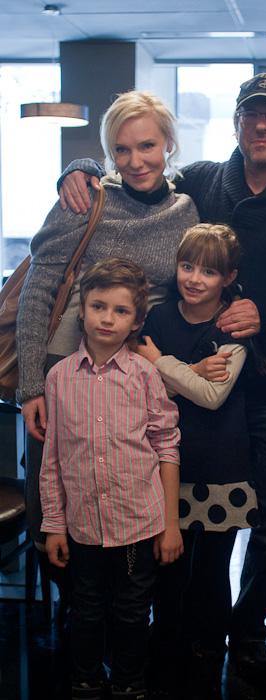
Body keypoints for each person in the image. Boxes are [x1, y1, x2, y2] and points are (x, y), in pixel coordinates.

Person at [57, 73, 266, 678]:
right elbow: (136, 171)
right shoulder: (202, 181)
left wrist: (264, 312)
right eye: (250, 114)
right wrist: (80, 166)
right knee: (176, 518)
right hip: (188, 386)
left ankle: (245, 629)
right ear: (236, 122)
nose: (260, 126)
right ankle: (172, 629)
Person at [15, 89, 199, 596]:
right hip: (65, 366)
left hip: (136, 369)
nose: (135, 161)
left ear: (169, 145)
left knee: (123, 492)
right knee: (55, 496)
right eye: (121, 149)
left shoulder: (186, 211)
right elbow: (38, 291)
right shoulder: (87, 200)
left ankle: (125, 617)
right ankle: (71, 616)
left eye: (147, 146)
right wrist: (31, 386)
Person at [40, 258, 182, 700]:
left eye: (121, 311)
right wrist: (54, 524)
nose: (107, 318)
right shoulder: (58, 378)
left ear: (136, 321)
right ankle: (84, 680)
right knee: (85, 608)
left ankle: (129, 682)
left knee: (132, 610)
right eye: (98, 306)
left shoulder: (146, 375)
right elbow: (52, 459)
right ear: (81, 309)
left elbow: (167, 447)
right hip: (82, 526)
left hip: (138, 524)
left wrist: (171, 524)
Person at [138, 223, 259, 699]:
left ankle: (209, 652)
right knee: (168, 570)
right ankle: (166, 648)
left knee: (211, 572)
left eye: (208, 272)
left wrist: (162, 365)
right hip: (164, 466)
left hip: (219, 467)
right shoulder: (158, 317)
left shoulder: (233, 326)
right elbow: (140, 387)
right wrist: (188, 372)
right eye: (187, 266)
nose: (194, 278)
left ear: (228, 278)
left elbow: (212, 396)